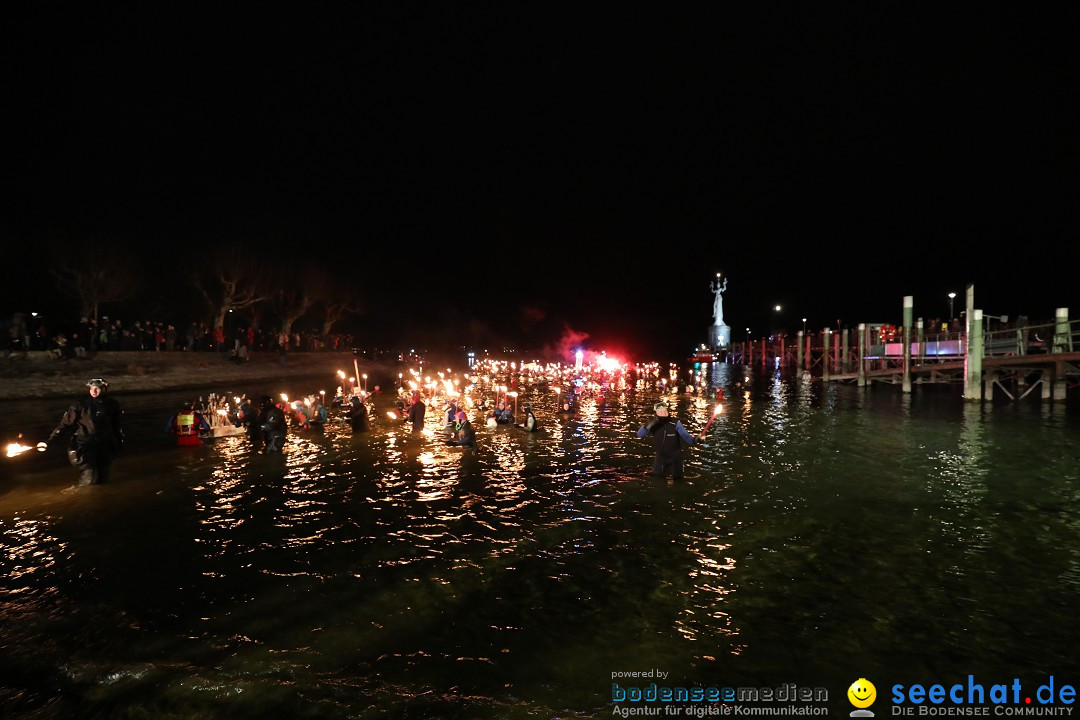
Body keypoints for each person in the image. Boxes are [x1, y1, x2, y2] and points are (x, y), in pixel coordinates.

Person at [43, 378, 124, 486]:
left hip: (105, 443)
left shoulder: (113, 404)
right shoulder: (80, 404)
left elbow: (116, 425)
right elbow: (65, 424)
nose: (94, 391)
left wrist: (119, 442)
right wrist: (48, 441)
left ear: (104, 389)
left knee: (103, 477)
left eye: (97, 388)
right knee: (89, 477)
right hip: (85, 443)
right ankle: (84, 493)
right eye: (91, 388)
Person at [636, 401, 696, 480]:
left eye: (665, 410)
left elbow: (687, 438)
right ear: (656, 413)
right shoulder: (653, 424)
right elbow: (639, 434)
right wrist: (648, 425)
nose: (663, 412)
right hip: (661, 457)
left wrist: (697, 439)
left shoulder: (675, 423)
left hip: (676, 457)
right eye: (660, 411)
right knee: (658, 480)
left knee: (678, 480)